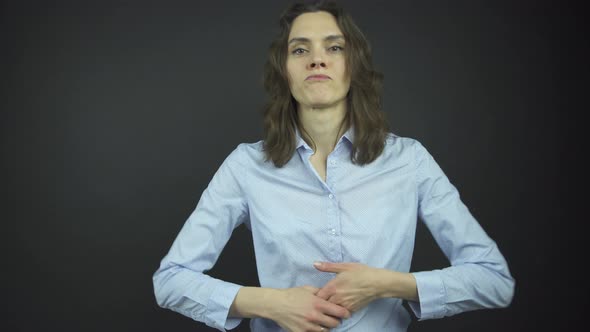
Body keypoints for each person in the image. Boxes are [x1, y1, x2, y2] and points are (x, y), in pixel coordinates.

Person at [152, 1, 515, 331]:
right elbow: (171, 280)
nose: (317, 59)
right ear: (285, 71)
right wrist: (272, 303)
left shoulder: (410, 160)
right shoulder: (245, 166)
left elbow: (494, 281)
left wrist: (386, 284)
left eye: (334, 47)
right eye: (300, 49)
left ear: (353, 65)